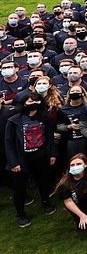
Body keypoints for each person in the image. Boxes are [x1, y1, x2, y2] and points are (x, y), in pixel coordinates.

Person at [5, 93, 56, 227]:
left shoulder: (45, 118)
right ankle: (20, 214)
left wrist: (52, 154)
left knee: (43, 182)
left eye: (35, 101)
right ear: (23, 103)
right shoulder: (13, 120)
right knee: (20, 188)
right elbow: (8, 143)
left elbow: (49, 138)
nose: (32, 103)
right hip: (20, 159)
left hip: (40, 156)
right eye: (29, 101)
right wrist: (14, 162)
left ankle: (46, 203)